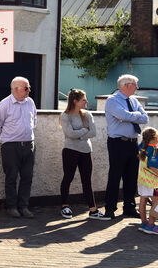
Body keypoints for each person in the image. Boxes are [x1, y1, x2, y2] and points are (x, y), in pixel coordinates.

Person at [59, 89, 108, 220]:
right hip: (70, 151)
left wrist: (79, 134)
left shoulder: (87, 115)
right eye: (84, 99)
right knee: (68, 177)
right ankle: (65, 206)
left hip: (86, 151)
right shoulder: (65, 116)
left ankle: (93, 210)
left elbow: (93, 132)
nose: (87, 101)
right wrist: (83, 131)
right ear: (75, 101)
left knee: (87, 181)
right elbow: (69, 134)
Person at [0, 76, 37, 218]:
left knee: (27, 177)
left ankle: (24, 206)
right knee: (11, 177)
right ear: (16, 89)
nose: (29, 90)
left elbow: (34, 121)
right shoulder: (5, 104)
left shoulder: (30, 102)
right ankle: (12, 206)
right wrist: (6, 140)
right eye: (26, 88)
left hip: (29, 144)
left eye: (29, 87)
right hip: (10, 146)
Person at [104, 74, 149, 219]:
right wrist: (134, 115)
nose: (137, 87)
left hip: (132, 143)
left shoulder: (134, 101)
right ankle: (110, 209)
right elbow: (122, 115)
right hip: (118, 143)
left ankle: (129, 208)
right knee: (115, 176)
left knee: (131, 176)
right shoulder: (112, 100)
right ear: (126, 85)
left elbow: (145, 118)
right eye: (135, 84)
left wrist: (130, 115)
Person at [136, 127, 158, 234]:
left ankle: (144, 223)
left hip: (142, 179)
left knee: (142, 201)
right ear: (154, 138)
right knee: (155, 203)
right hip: (152, 181)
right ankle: (151, 225)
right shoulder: (154, 149)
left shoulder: (142, 147)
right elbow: (152, 166)